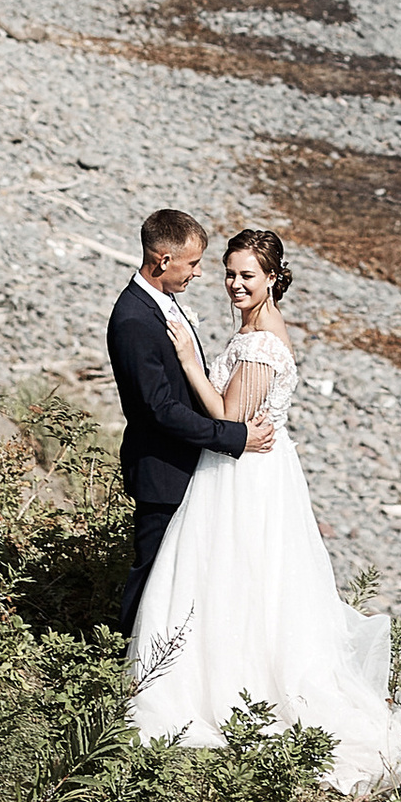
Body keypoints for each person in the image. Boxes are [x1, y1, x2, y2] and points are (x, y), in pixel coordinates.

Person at [123, 224, 401, 794]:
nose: (232, 283)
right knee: (238, 580)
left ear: (275, 278)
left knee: (230, 575)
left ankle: (229, 687)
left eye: (246, 275)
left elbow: (230, 417)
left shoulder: (261, 343)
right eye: (229, 273)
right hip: (251, 469)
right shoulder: (253, 329)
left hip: (244, 473)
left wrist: (187, 363)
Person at [105, 205, 275, 639]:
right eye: (194, 263)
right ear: (163, 260)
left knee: (182, 580)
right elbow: (160, 410)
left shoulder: (164, 303)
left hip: (189, 466)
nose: (199, 274)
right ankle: (124, 672)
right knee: (152, 579)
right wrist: (234, 436)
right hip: (163, 469)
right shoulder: (134, 320)